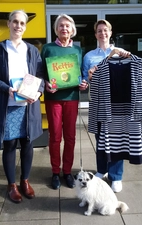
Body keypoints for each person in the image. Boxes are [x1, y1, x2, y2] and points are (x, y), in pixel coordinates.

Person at [0, 10, 44, 204]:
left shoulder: (32, 51)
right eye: (15, 22)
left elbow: (41, 76)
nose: (18, 26)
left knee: (28, 143)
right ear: (8, 24)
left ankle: (24, 181)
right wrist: (6, 88)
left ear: (25, 27)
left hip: (28, 106)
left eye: (22, 23)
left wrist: (38, 92)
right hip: (7, 105)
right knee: (9, 145)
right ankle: (11, 185)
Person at [82, 19, 130, 193]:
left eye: (105, 30)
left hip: (117, 102)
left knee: (117, 139)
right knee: (100, 137)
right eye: (99, 31)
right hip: (97, 101)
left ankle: (116, 176)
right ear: (95, 35)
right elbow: (86, 80)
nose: (102, 33)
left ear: (110, 33)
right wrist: (88, 77)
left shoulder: (121, 53)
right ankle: (102, 169)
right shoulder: (89, 56)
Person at [40, 14, 88, 190]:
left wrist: (84, 83)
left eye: (67, 26)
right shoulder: (47, 48)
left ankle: (67, 171)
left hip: (71, 99)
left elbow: (81, 74)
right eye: (61, 26)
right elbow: (41, 73)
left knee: (70, 137)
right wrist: (45, 83)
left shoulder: (77, 51)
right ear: (56, 29)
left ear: (72, 29)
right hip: (53, 99)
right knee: (55, 137)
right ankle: (55, 172)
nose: (64, 29)